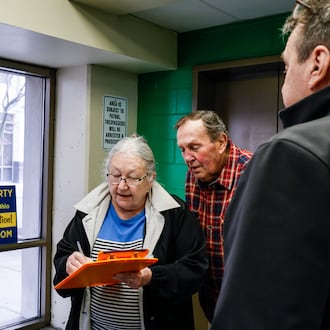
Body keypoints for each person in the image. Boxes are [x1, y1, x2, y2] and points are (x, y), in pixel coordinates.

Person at [211, 0, 330, 329]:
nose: (284, 80)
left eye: (287, 66)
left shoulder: (291, 155)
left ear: (317, 63)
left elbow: (254, 318)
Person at [53, 134, 208, 330]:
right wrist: (68, 263)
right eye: (115, 176)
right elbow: (62, 257)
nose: (122, 186)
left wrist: (152, 277)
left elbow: (196, 270)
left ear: (150, 178)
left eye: (133, 177)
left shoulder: (175, 214)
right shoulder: (87, 212)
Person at [175, 110, 253, 322]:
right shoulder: (193, 175)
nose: (187, 158)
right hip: (212, 301)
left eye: (194, 147)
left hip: (252, 305)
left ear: (221, 142)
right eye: (182, 150)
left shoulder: (255, 172)